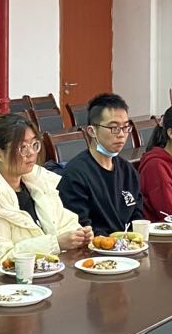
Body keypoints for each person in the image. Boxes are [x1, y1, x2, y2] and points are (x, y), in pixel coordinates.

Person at [0, 113, 91, 277]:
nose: (31, 152)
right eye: (22, 147)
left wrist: (79, 235)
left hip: (50, 276)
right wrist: (54, 243)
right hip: (9, 287)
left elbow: (64, 223)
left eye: (34, 144)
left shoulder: (39, 185)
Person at [57, 92, 142, 235]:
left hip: (131, 245)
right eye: (114, 128)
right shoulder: (76, 174)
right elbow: (81, 227)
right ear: (92, 131)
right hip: (96, 246)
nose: (121, 134)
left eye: (125, 127)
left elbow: (137, 216)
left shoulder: (128, 170)